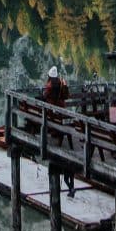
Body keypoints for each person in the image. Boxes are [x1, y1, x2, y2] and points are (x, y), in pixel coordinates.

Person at [43, 66, 75, 197]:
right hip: (61, 111)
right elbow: (67, 96)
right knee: (57, 119)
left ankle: (55, 133)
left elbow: (45, 96)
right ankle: (70, 187)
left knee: (49, 117)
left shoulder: (50, 85)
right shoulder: (62, 83)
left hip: (53, 112)